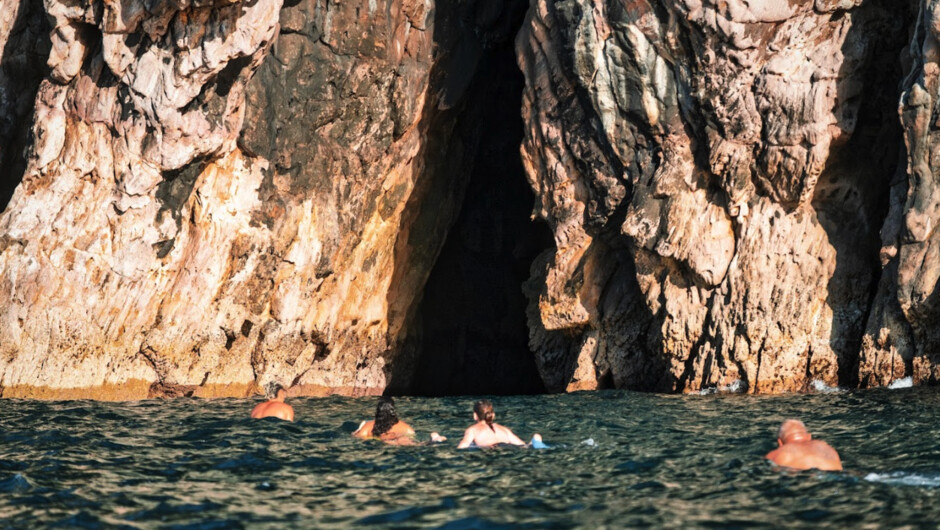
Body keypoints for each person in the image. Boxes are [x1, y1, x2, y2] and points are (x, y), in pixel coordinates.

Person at [353, 397, 445, 445]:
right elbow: (413, 433)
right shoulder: (404, 426)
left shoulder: (369, 425)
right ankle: (433, 440)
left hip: (386, 440)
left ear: (378, 410)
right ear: (393, 409)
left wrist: (358, 430)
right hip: (401, 436)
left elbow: (357, 437)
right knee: (416, 444)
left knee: (389, 442)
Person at [765, 419, 842, 471]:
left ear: (780, 442)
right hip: (838, 475)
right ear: (809, 436)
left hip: (804, 476)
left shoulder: (779, 453)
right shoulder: (826, 447)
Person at [457, 399, 527, 448]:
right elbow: (523, 445)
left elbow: (462, 447)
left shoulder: (472, 430)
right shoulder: (504, 430)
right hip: (505, 450)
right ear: (493, 415)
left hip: (486, 452)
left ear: (475, 416)